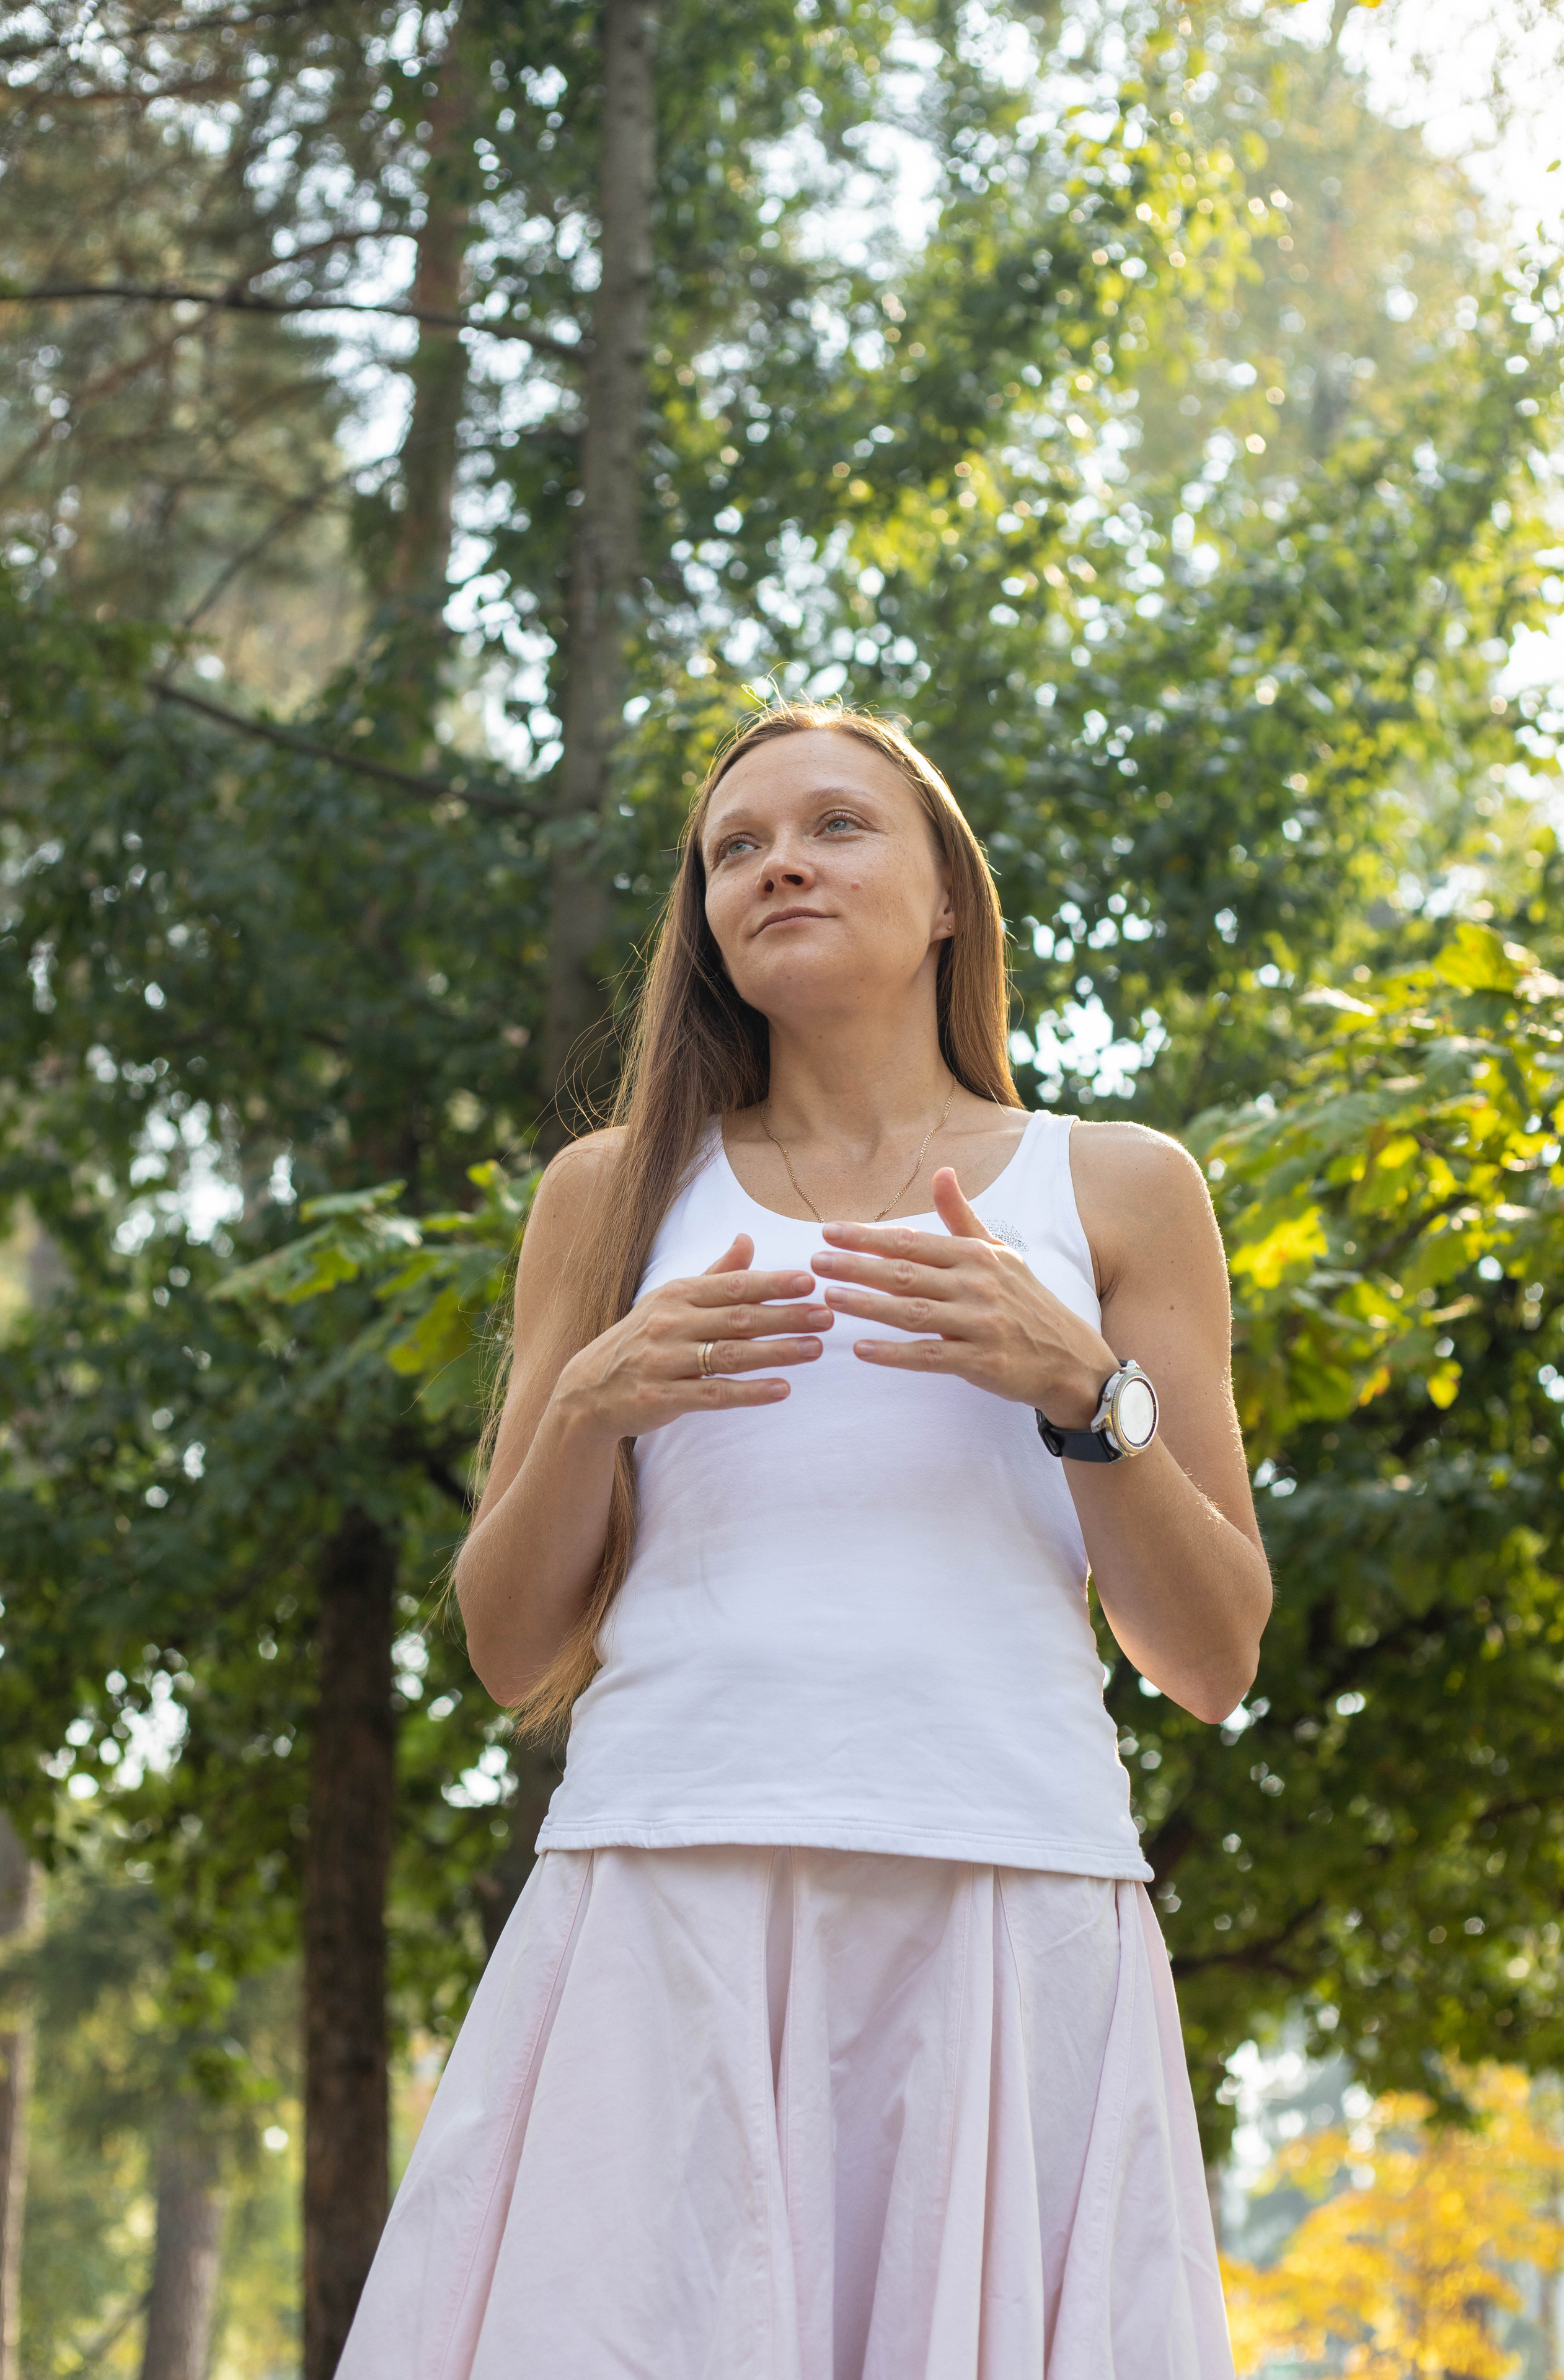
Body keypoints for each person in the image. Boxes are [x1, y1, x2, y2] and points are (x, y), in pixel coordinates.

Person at [337, 701, 1271, 2379]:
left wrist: (1082, 1385)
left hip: (1006, 1896)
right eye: (733, 848)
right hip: (666, 1892)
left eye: (836, 826)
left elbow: (1210, 1658)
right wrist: (584, 1411)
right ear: (704, 921)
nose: (777, 863)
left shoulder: (1123, 1189)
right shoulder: (609, 1196)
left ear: (947, 904)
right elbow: (505, 1644)